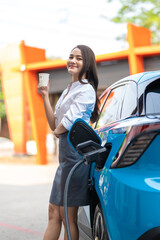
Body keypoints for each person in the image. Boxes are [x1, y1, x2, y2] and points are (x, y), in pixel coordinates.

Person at [38, 45, 99, 240]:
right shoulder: (68, 90)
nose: (72, 60)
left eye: (78, 58)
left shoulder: (87, 89)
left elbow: (69, 121)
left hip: (75, 156)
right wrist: (45, 95)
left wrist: (57, 131)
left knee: (66, 216)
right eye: (71, 56)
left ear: (87, 64)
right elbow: (55, 123)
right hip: (64, 159)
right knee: (53, 212)